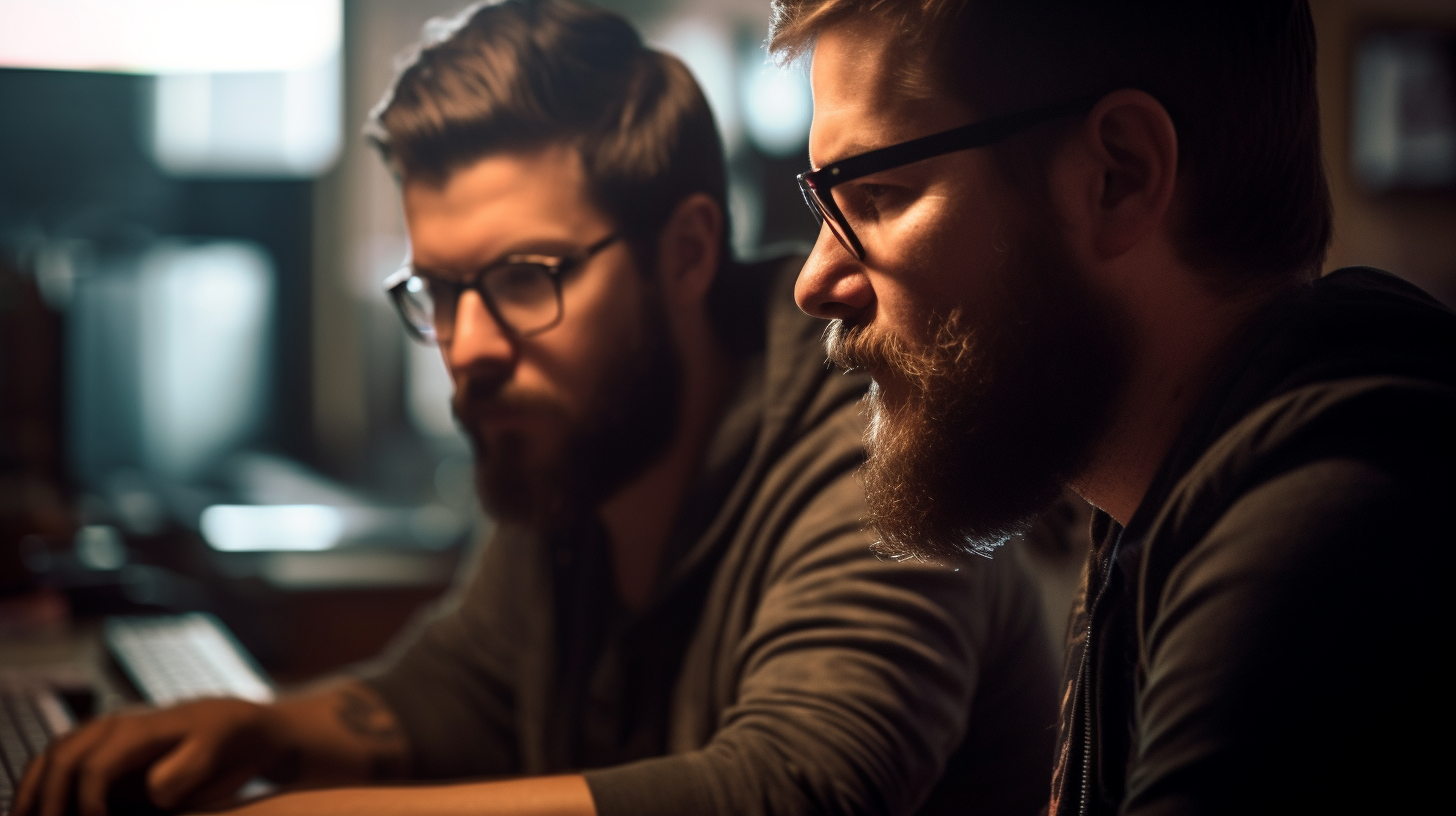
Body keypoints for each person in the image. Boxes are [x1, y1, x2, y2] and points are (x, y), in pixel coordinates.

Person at [15, 2, 1062, 815]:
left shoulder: (874, 429)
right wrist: (258, 734)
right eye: (440, 290)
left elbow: (794, 787)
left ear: (687, 253)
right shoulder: (579, 451)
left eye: (524, 278)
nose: (467, 348)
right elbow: (465, 691)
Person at [767, 1, 1454, 814]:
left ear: (1117, 176)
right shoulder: (1159, 503)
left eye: (876, 193)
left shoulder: (1327, 540)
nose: (813, 285)